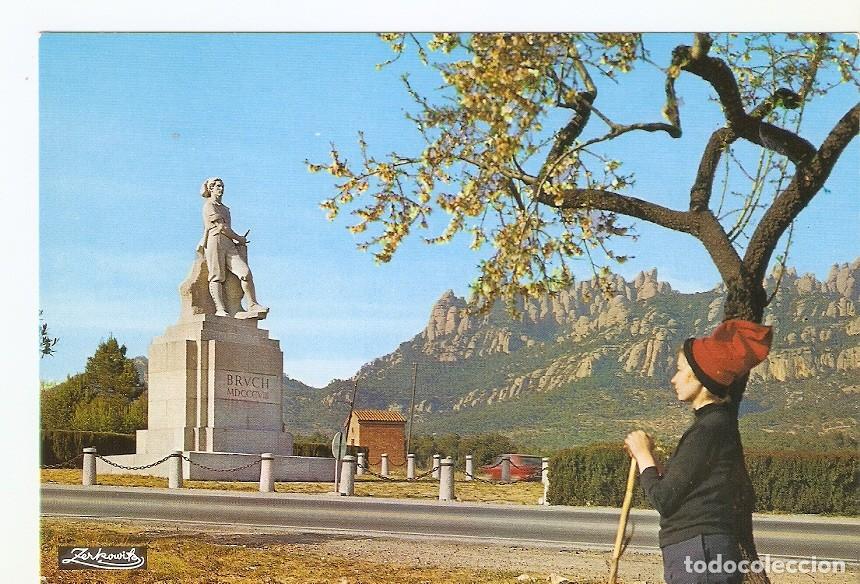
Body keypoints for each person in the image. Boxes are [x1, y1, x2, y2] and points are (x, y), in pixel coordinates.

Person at [625, 319, 772, 584]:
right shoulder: (713, 425)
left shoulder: (708, 429)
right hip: (699, 551)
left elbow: (664, 498)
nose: (673, 379)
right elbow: (682, 487)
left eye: (680, 370)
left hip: (699, 553)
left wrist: (643, 454)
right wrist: (649, 459)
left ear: (701, 377)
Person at [197, 177, 268, 317]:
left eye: (222, 186)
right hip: (215, 240)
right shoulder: (209, 206)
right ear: (211, 188)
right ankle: (220, 309)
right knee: (217, 276)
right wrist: (239, 238)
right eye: (218, 186)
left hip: (228, 243)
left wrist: (237, 240)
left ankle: (252, 304)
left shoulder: (225, 209)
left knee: (245, 273)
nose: (221, 189)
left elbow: (226, 228)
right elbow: (221, 227)